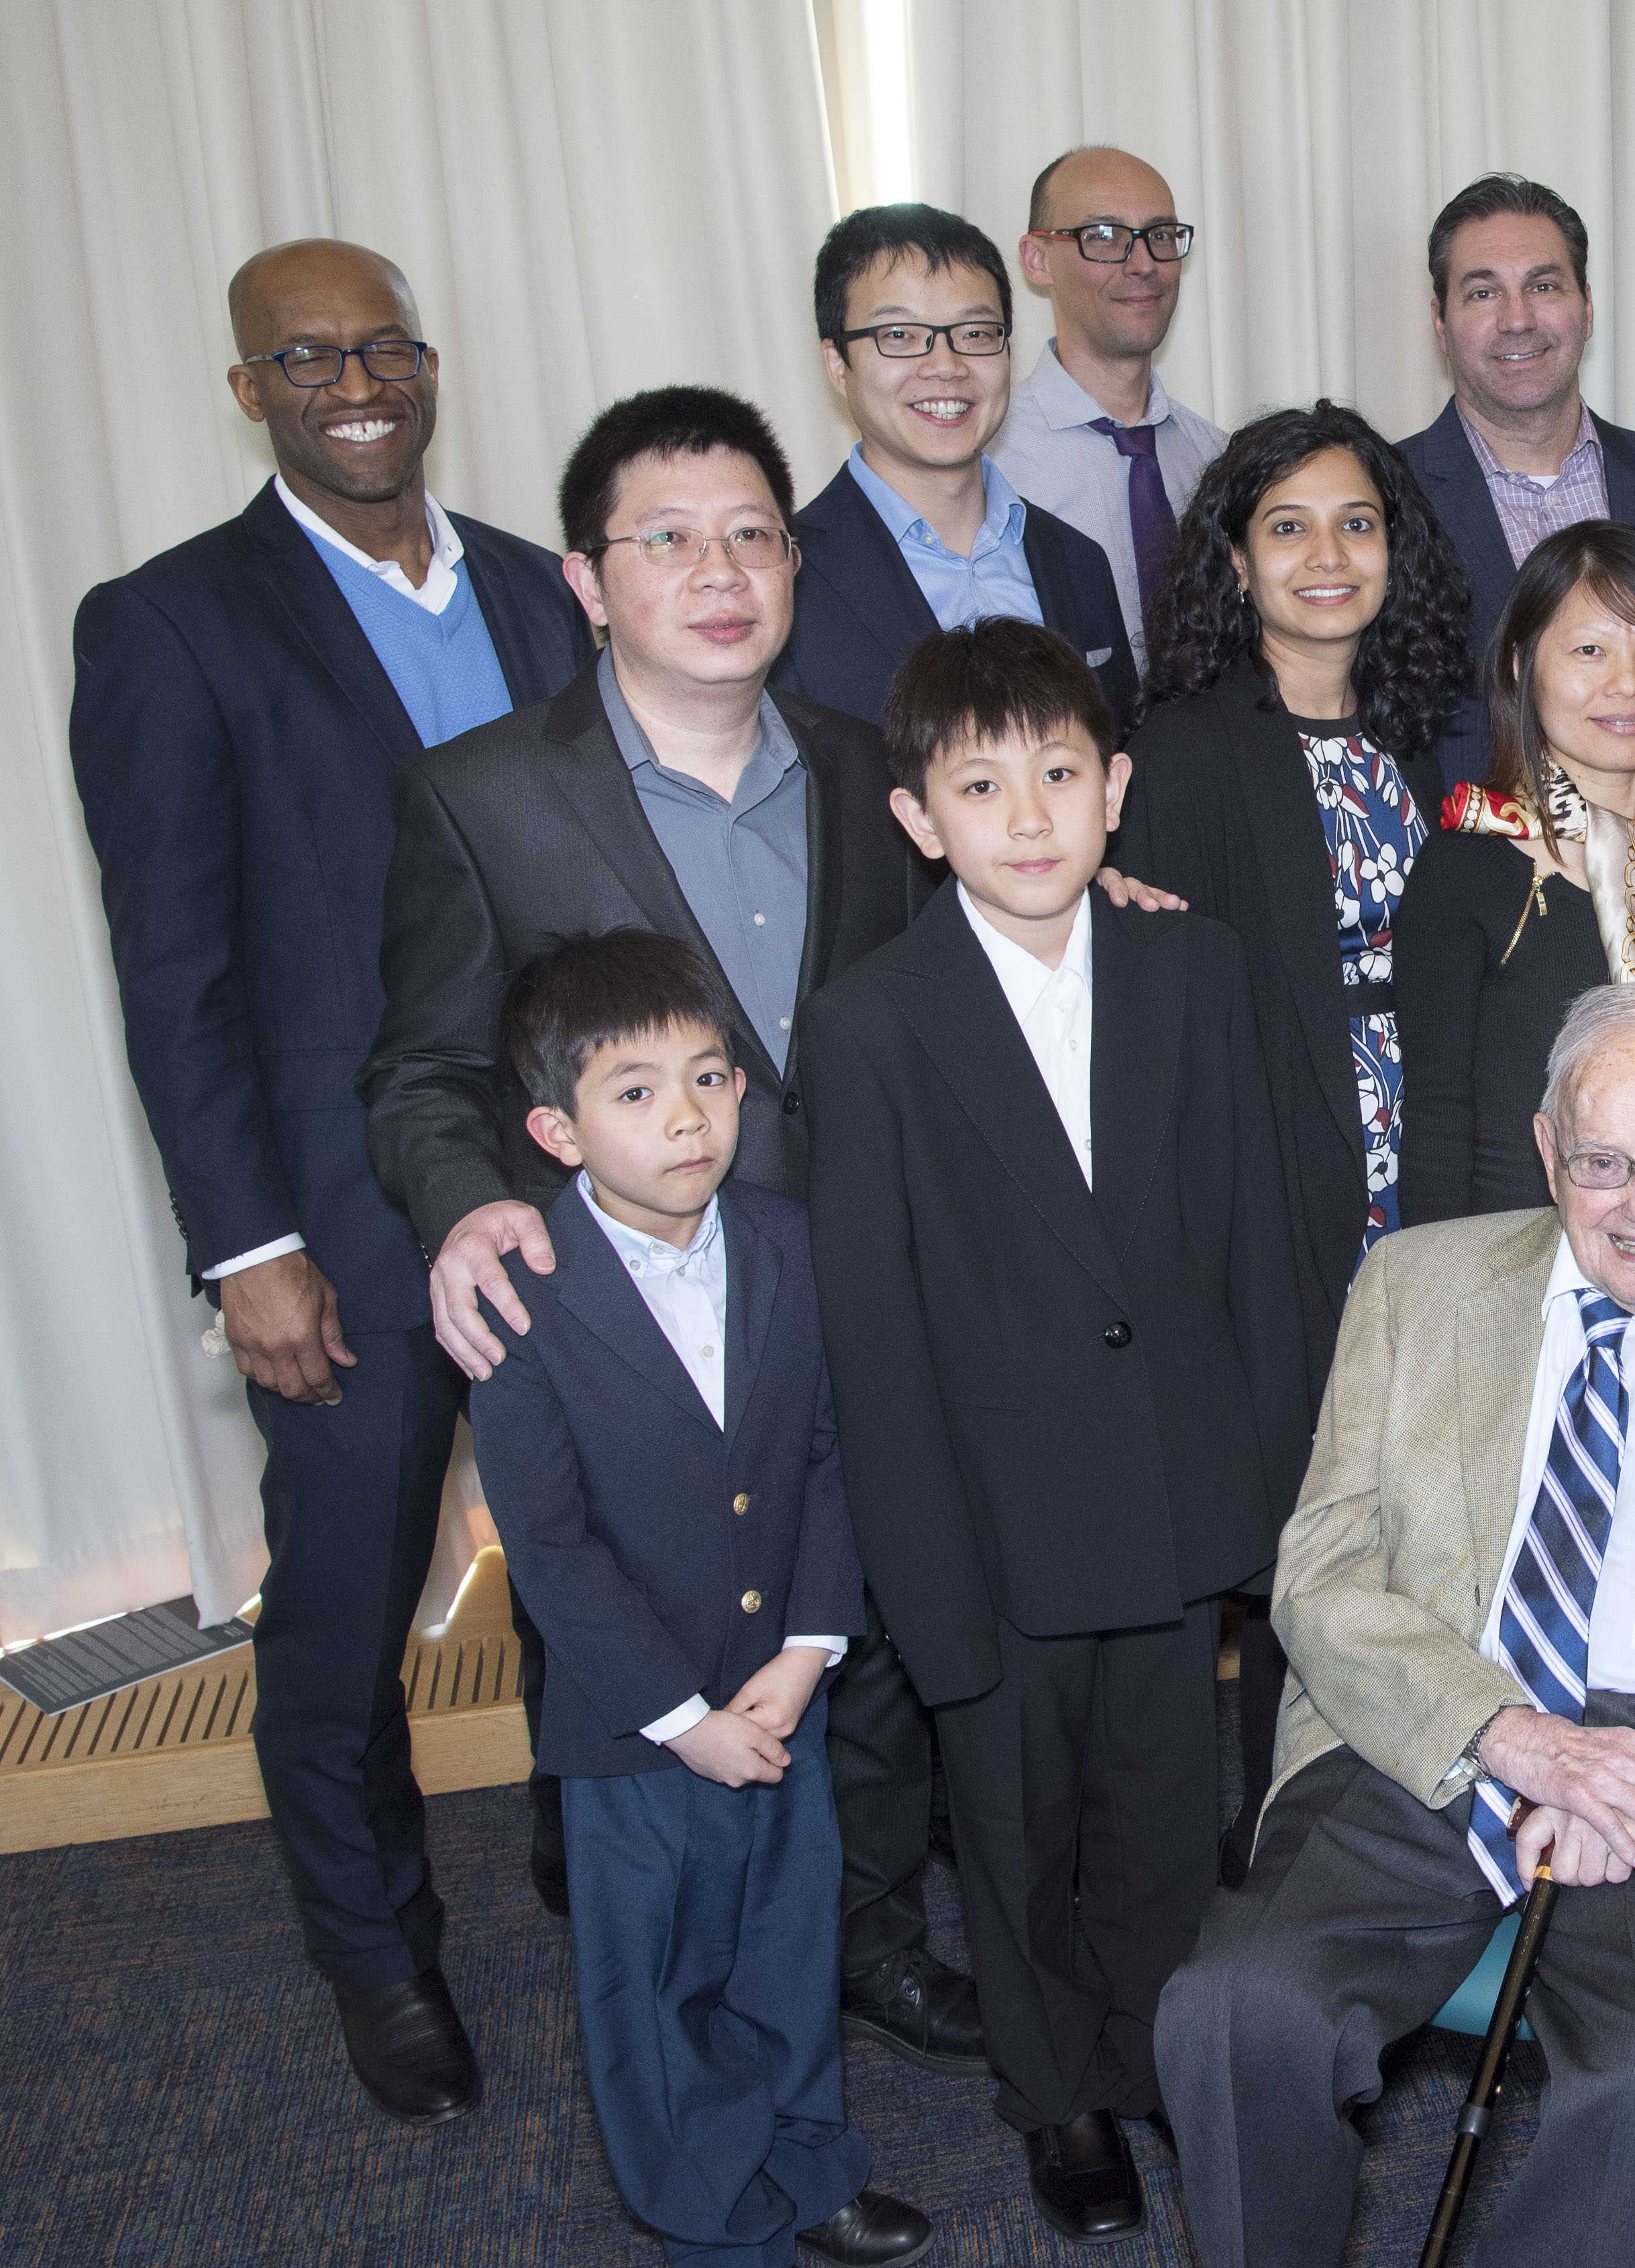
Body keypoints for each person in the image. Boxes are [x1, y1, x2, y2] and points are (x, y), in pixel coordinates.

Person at [358, 386, 984, 2080]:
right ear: (586, 577)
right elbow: (422, 1065)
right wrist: (468, 1196)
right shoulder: (481, 793)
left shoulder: (873, 772)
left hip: (842, 1291)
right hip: (622, 1321)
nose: (721, 572)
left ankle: (864, 1935)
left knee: (856, 1631)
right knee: (633, 1635)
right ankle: (663, 1965)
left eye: (753, 535)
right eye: (670, 539)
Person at [67, 237, 596, 2122]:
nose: (352, 379)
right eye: (307, 357)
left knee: (591, 1566)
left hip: (571, 1178)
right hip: (342, 1214)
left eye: (380, 345)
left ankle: (581, 1853)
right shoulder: (170, 621)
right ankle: (377, 1953)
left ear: (429, 366)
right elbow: (177, 966)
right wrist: (248, 1245)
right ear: (249, 392)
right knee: (351, 1597)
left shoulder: (549, 591)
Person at [1156, 983, 1635, 2268]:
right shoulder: (1416, 1284)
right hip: (1448, 1706)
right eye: (1602, 1163)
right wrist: (1515, 1738)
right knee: (1234, 2010)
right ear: (1544, 1151)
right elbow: (1323, 1566)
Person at [802, 618, 1310, 2245]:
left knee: (1165, 1817)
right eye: (979, 783)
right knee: (1014, 1837)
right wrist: (920, 1572)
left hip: (1171, 1499)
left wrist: (1274, 1488)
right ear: (916, 818)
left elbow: (1256, 1245)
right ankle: (1055, 2094)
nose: (1025, 815)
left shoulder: (1192, 965)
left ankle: (1157, 2051)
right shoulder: (871, 1024)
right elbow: (873, 1335)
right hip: (995, 1530)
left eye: (1059, 775)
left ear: (1116, 793)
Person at [466, 930, 931, 2268]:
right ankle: (705, 2207)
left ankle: (809, 2162)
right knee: (655, 1985)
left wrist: (806, 1646)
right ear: (556, 1128)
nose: (685, 1116)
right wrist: (683, 1717)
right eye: (633, 1090)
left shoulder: (787, 1240)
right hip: (634, 1730)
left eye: (710, 1077)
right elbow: (550, 1547)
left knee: (788, 1947)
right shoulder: (523, 1294)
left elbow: (831, 1454)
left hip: (775, 1692)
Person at [1111, 400, 1473, 1884]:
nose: (1326, 555)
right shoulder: (1181, 752)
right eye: (1286, 525)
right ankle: (1291, 1845)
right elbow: (1160, 1034)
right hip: (1274, 1202)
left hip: (1439, 1180)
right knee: (1301, 1536)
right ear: (1233, 560)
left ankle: (1427, 1802)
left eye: (1357, 521)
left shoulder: (1436, 727)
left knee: (1431, 1516)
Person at [1398, 521, 1635, 1223]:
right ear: (1521, 665)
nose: (1627, 684)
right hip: (1521, 1263)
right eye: (1589, 650)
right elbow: (1437, 1121)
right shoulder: (1464, 864)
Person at [1400, 174, 1635, 786]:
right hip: (1459, 872)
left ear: (1587, 308)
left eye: (1544, 286)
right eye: (1483, 293)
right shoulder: (1383, 503)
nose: (1518, 319)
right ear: (1440, 321)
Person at [783, 201, 1137, 728]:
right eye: (899, 336)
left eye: (975, 334)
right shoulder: (787, 577)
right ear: (838, 363)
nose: (946, 366)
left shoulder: (1077, 562)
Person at [989, 145, 1226, 667]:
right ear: (1036, 259)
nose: (1143, 264)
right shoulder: (989, 466)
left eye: (1161, 236)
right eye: (1105, 236)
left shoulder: (1216, 455)